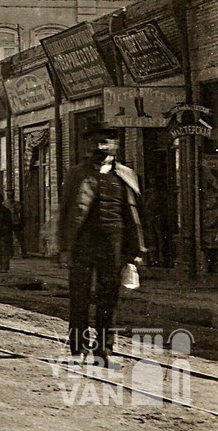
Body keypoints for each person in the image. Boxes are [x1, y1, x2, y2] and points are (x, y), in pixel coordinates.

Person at [59, 122, 147, 365]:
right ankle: (78, 347)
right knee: (79, 296)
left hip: (114, 245)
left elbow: (135, 217)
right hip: (82, 244)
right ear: (88, 147)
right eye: (95, 144)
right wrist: (64, 248)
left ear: (115, 147)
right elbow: (66, 213)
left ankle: (104, 349)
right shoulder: (77, 174)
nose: (100, 149)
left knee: (109, 297)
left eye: (105, 144)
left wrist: (137, 250)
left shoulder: (126, 176)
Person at [0, 194, 15, 272]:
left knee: (4, 250)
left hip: (4, 233)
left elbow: (8, 223)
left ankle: (5, 267)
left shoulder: (5, 211)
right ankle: (1, 266)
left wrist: (4, 228)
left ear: (0, 200)